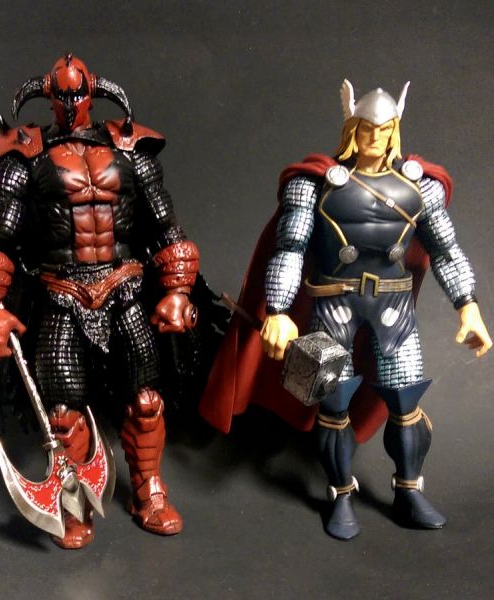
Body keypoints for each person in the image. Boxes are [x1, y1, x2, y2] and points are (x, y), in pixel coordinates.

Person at [200, 80, 491, 540]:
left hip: (393, 307)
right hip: (334, 303)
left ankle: (409, 490)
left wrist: (467, 306)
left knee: (406, 399)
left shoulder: (421, 186)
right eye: (365, 128)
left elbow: (446, 249)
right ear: (351, 127)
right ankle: (340, 493)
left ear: (395, 129)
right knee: (333, 402)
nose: (374, 137)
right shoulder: (314, 183)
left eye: (383, 129)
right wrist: (278, 309)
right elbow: (291, 247)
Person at [0, 54, 200, 549]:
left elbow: (164, 227)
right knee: (63, 412)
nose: (70, 103)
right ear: (46, 94)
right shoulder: (22, 154)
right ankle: (73, 498)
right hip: (60, 291)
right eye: (61, 94)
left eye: (78, 92)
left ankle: (149, 490)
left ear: (94, 91)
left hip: (125, 286)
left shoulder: (130, 148)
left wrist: (177, 291)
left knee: (146, 401)